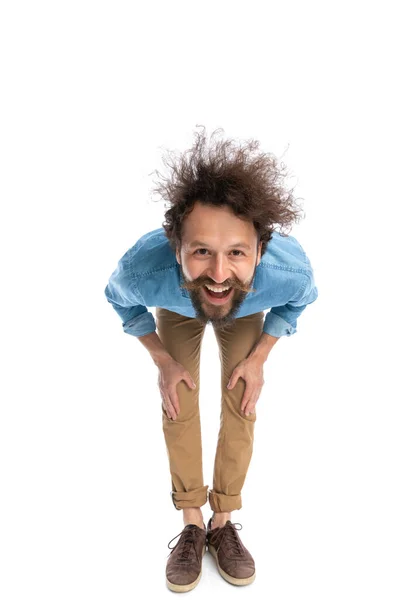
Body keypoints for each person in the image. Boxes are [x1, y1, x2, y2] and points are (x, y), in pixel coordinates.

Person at [104, 127, 318, 592]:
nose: (219, 274)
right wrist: (162, 360)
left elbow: (299, 302)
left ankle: (222, 521)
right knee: (178, 395)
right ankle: (192, 521)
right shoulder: (147, 271)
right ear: (175, 247)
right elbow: (120, 302)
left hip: (246, 305)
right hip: (179, 304)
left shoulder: (286, 272)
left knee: (242, 394)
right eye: (201, 251)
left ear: (260, 249)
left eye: (237, 253)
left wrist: (261, 356)